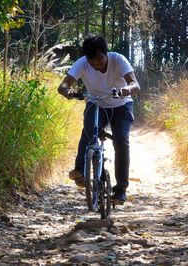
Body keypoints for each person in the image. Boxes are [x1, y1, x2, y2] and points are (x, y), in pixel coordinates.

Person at [57, 36, 140, 204]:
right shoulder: (82, 63)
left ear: (106, 53)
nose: (96, 64)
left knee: (121, 140)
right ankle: (80, 171)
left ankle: (120, 190)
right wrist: (67, 91)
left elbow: (135, 86)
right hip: (96, 104)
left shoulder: (118, 60)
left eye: (100, 60)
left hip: (121, 105)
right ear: (87, 59)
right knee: (89, 130)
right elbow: (63, 85)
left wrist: (125, 90)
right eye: (92, 61)